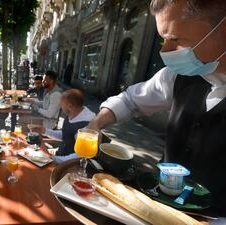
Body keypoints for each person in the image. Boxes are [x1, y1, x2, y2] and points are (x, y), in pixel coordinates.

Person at [88, 0, 226, 216]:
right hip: (157, 207)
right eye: (163, 39)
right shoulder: (177, 76)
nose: (165, 51)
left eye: (175, 39)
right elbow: (130, 101)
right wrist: (96, 124)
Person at [32, 89, 96, 163]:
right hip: (60, 154)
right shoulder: (73, 113)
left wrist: (53, 158)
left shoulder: (86, 126)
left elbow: (81, 155)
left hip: (68, 164)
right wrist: (45, 131)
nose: (60, 107)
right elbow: (66, 134)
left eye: (61, 104)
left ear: (70, 106)